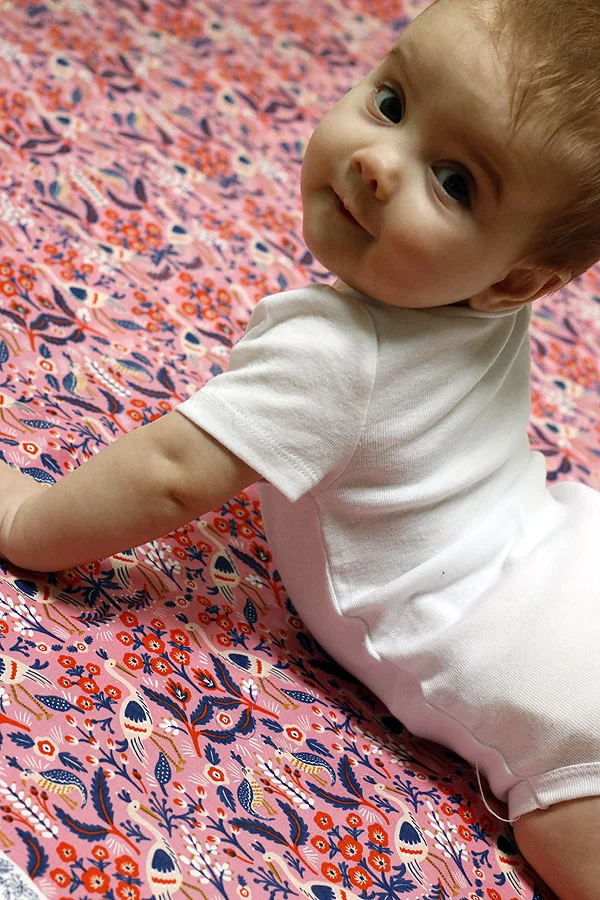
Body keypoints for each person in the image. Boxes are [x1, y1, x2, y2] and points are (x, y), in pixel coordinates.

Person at [0, 0, 599, 894]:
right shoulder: (485, 303)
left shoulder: (337, 352)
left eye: (454, 183)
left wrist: (28, 521)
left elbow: (170, 476)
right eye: (392, 103)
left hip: (546, 685)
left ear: (513, 281)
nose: (377, 162)